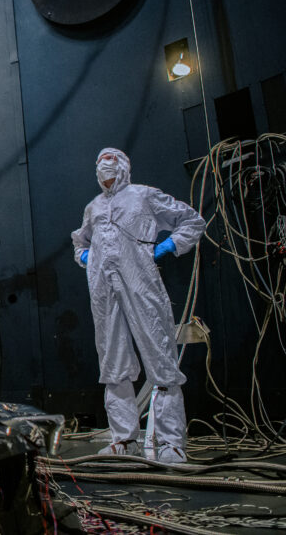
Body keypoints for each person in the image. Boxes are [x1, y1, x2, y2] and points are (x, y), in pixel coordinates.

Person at [71, 148, 205, 463]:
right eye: (99, 163)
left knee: (160, 357)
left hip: (141, 285)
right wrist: (87, 256)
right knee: (113, 362)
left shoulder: (143, 196)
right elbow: (80, 241)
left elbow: (191, 220)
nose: (104, 168)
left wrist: (170, 245)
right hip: (105, 292)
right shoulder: (94, 207)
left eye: (110, 162)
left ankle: (172, 442)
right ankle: (124, 439)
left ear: (123, 167)